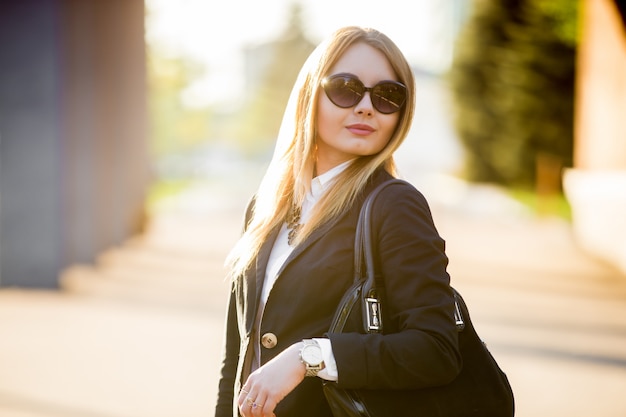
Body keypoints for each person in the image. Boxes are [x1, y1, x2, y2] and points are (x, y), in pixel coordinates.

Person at [215, 26, 462, 417]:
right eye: (346, 89)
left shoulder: (394, 206)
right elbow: (237, 358)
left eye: (387, 96)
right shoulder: (263, 208)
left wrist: (308, 356)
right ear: (310, 95)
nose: (365, 107)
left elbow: (436, 349)